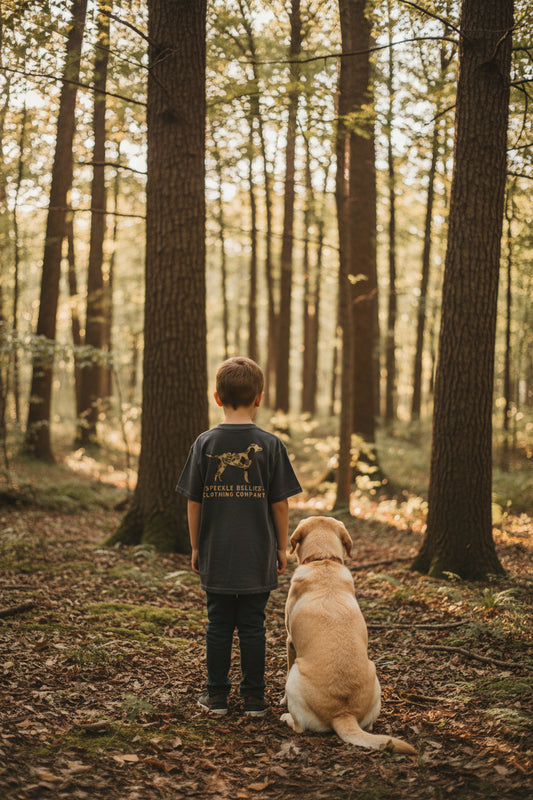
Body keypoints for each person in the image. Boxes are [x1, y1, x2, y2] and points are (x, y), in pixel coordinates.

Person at [176, 357, 301, 717]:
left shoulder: (204, 443)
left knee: (217, 624)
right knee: (252, 625)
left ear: (217, 397)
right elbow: (280, 505)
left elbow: (194, 502)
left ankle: (215, 697)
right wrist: (281, 547)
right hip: (256, 552)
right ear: (258, 398)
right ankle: (254, 699)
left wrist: (197, 545)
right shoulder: (271, 445)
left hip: (215, 550)